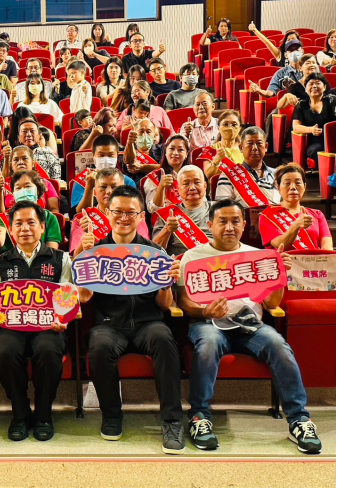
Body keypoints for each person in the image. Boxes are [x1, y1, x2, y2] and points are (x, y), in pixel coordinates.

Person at [177, 199, 322, 454]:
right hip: (208, 323)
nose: (229, 227)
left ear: (244, 225)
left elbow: (271, 303)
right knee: (207, 344)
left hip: (250, 324)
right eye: (222, 221)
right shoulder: (192, 256)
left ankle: (299, 420)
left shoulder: (258, 257)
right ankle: (199, 416)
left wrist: (279, 276)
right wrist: (204, 311)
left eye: (235, 221)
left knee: (278, 344)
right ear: (210, 225)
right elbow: (183, 301)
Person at [79, 186, 184, 454]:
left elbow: (165, 305)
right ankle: (112, 415)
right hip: (109, 324)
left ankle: (172, 421)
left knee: (164, 338)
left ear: (141, 216)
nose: (124, 218)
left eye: (131, 213)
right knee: (99, 345)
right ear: (107, 212)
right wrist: (83, 256)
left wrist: (166, 284)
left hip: (148, 323)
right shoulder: (95, 251)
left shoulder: (155, 252)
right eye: (118, 211)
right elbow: (83, 297)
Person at [0, 201, 73, 441]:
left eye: (31, 222)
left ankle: (44, 415)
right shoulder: (0, 262)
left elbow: (68, 296)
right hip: (11, 325)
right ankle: (20, 414)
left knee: (48, 348)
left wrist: (62, 318)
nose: (25, 228)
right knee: (5, 349)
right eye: (18, 224)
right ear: (11, 230)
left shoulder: (61, 259)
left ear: (42, 227)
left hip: (49, 325)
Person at [71, 168, 149, 256]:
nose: (109, 191)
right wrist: (84, 245)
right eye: (103, 187)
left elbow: (145, 251)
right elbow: (75, 258)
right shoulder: (83, 219)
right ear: (95, 191)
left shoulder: (135, 216)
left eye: (114, 187)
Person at [259, 163, 333, 250]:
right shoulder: (267, 215)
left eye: (298, 183)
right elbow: (280, 245)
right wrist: (296, 226)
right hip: (284, 258)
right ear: (278, 187)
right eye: (287, 183)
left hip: (313, 258)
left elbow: (327, 245)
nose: (293, 187)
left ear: (304, 186)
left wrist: (323, 258)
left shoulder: (317, 214)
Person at [0, 170, 61, 252]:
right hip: (11, 259)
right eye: (18, 188)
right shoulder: (6, 217)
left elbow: (52, 249)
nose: (23, 190)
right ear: (13, 193)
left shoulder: (50, 217)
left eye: (28, 186)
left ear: (38, 190)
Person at [152, 165, 212, 256]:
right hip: (180, 262)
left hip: (215, 260)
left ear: (205, 186)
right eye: (186, 184)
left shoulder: (218, 209)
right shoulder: (168, 214)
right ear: (178, 189)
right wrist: (167, 230)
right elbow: (154, 250)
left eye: (197, 182)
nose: (192, 188)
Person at [215, 126, 281, 206]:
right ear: (241, 148)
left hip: (274, 213)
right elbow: (223, 207)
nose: (255, 148)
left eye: (259, 143)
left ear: (266, 147)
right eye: (250, 144)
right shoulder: (228, 175)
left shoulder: (277, 174)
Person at [71, 134, 137, 211]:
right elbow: (79, 213)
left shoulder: (127, 181)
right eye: (101, 155)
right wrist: (89, 187)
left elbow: (132, 210)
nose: (106, 159)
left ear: (117, 155)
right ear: (93, 156)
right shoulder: (83, 181)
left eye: (110, 155)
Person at [0, 145, 61, 215]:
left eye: (25, 158)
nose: (20, 162)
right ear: (11, 165)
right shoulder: (2, 184)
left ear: (33, 163)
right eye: (16, 160)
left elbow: (54, 210)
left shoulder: (45, 183)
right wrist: (0, 189)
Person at [291, 73, 336, 166]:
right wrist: (311, 129)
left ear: (324, 87)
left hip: (333, 139)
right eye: (311, 84)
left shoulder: (333, 100)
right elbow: (296, 127)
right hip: (315, 141)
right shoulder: (302, 105)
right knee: (316, 151)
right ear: (305, 88)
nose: (314, 86)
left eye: (318, 83)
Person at [144, 134, 191, 214]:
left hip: (191, 219)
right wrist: (161, 187)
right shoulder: (156, 177)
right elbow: (153, 210)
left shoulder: (193, 175)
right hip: (164, 219)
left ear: (186, 154)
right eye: (172, 149)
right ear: (165, 151)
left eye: (180, 150)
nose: (175, 153)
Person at [121, 118, 163, 189]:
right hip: (136, 190)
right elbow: (130, 163)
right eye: (141, 131)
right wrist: (130, 142)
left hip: (158, 189)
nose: (144, 135)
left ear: (154, 135)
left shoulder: (162, 149)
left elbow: (168, 167)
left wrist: (143, 167)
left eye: (149, 132)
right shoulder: (129, 150)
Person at [202, 110, 245, 179]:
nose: (230, 128)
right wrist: (217, 159)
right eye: (226, 124)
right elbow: (208, 175)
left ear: (239, 128)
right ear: (218, 127)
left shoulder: (245, 149)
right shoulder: (210, 150)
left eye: (234, 125)